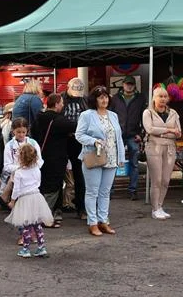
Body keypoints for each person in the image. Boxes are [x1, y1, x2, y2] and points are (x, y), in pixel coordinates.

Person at [76, 85, 125, 236]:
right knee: (92, 192)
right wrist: (94, 141)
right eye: (100, 97)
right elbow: (79, 135)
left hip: (111, 158)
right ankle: (92, 222)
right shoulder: (87, 115)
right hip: (94, 157)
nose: (104, 100)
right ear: (94, 99)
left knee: (105, 192)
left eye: (106, 97)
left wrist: (121, 157)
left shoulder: (113, 115)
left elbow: (118, 138)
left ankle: (103, 221)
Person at [7, 143, 54, 258]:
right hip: (36, 197)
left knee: (26, 225)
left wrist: (12, 201)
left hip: (25, 199)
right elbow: (38, 183)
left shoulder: (18, 173)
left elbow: (16, 189)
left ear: (20, 158)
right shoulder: (37, 170)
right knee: (37, 224)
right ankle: (41, 247)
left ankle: (26, 249)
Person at [34, 94, 75, 226]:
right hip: (56, 158)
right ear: (56, 104)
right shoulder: (59, 120)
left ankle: (43, 213)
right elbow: (74, 127)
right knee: (53, 186)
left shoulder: (38, 118)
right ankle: (44, 216)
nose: (63, 105)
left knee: (43, 185)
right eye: (61, 103)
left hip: (41, 157)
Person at [142, 87, 182, 220]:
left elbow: (179, 133)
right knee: (157, 179)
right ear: (154, 97)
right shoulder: (148, 113)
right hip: (154, 147)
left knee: (165, 180)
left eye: (165, 96)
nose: (163, 99)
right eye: (160, 96)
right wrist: (169, 130)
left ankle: (160, 205)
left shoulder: (174, 113)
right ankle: (154, 208)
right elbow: (150, 129)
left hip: (170, 148)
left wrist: (164, 132)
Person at [109, 75, 145, 200]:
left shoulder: (140, 98)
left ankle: (133, 190)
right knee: (113, 163)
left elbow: (144, 118)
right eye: (127, 84)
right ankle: (110, 190)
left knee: (134, 164)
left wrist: (141, 134)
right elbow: (110, 116)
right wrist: (112, 132)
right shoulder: (114, 98)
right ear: (123, 85)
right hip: (117, 134)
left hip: (133, 134)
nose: (129, 86)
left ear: (134, 85)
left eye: (131, 84)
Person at [62, 78, 88, 218]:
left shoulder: (84, 100)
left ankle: (81, 207)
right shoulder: (61, 98)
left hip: (79, 141)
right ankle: (58, 207)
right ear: (68, 88)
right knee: (59, 173)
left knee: (80, 174)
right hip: (63, 139)